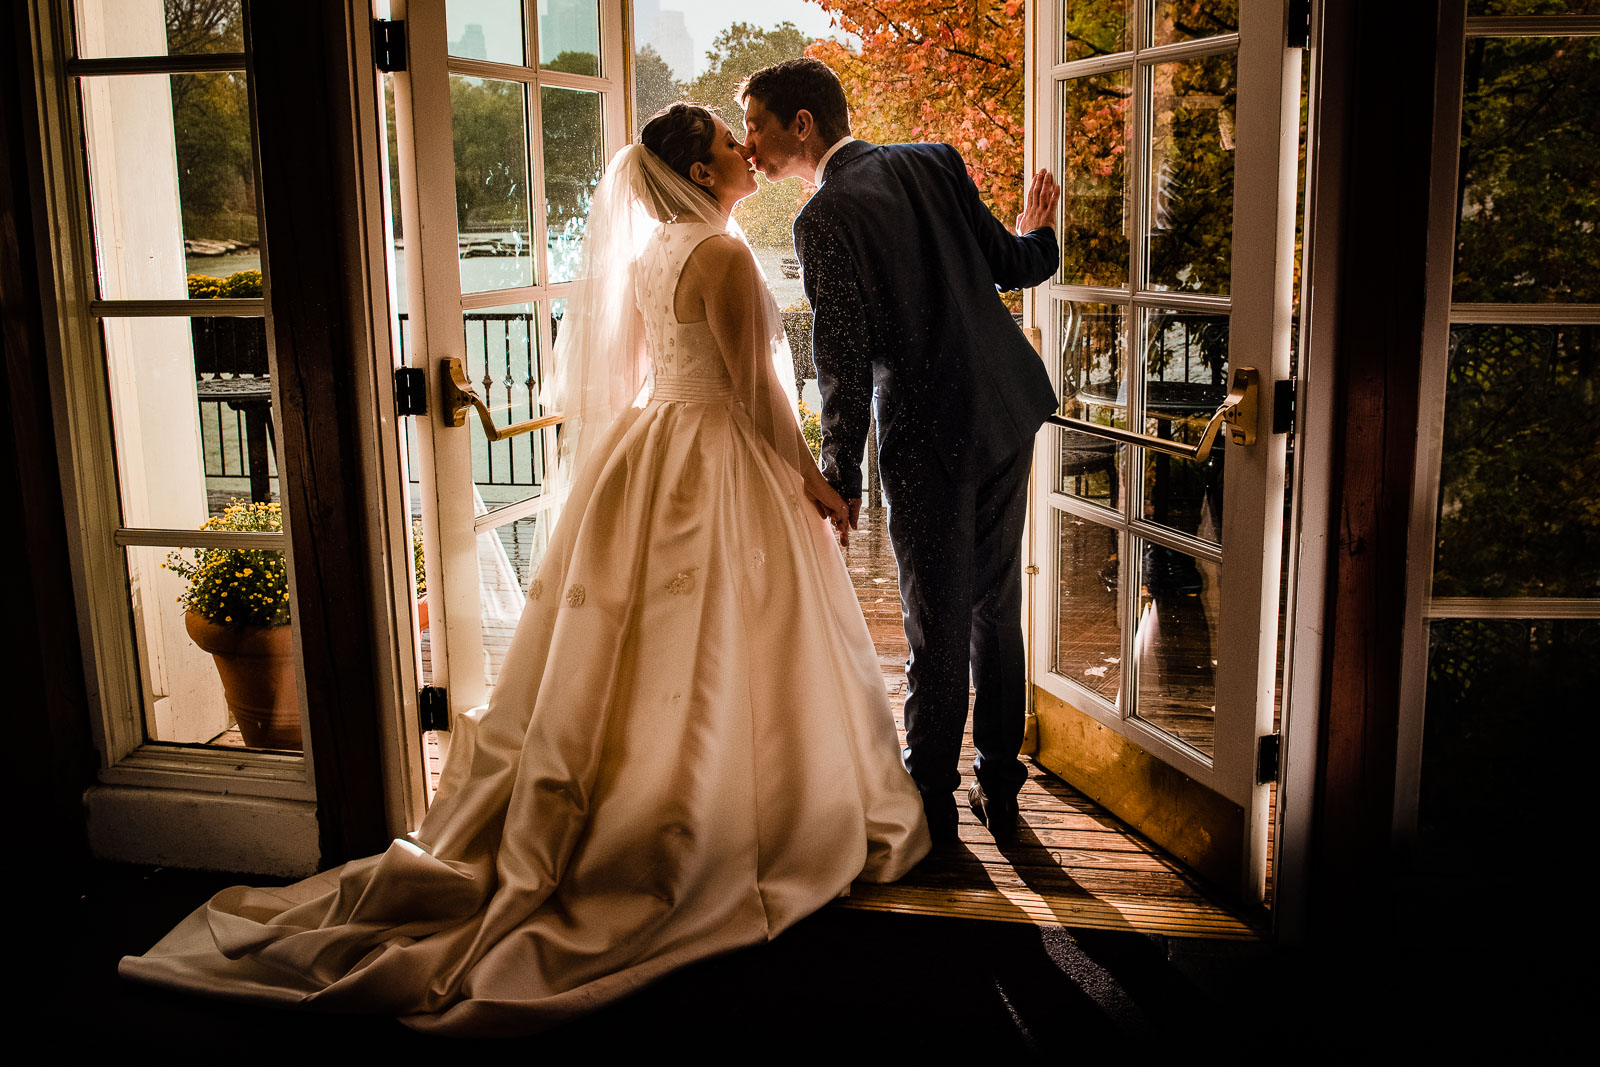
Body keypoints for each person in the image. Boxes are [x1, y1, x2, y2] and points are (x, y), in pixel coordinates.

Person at [119, 103, 930, 1036]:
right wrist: (818, 485)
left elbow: (629, 373)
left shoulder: (653, 251)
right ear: (702, 176)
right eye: (727, 143)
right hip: (713, 452)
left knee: (638, 653)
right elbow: (753, 397)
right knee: (732, 638)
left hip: (650, 446)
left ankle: (655, 794)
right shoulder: (725, 255)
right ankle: (734, 812)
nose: (747, 152)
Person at [740, 59, 1061, 844]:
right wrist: (1041, 230)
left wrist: (839, 477)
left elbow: (843, 363)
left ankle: (933, 808)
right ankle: (1000, 785)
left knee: (934, 624)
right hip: (1009, 410)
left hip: (929, 437)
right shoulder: (934, 159)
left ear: (803, 125)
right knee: (993, 608)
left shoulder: (821, 220)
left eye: (755, 123)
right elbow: (1019, 266)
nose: (748, 142)